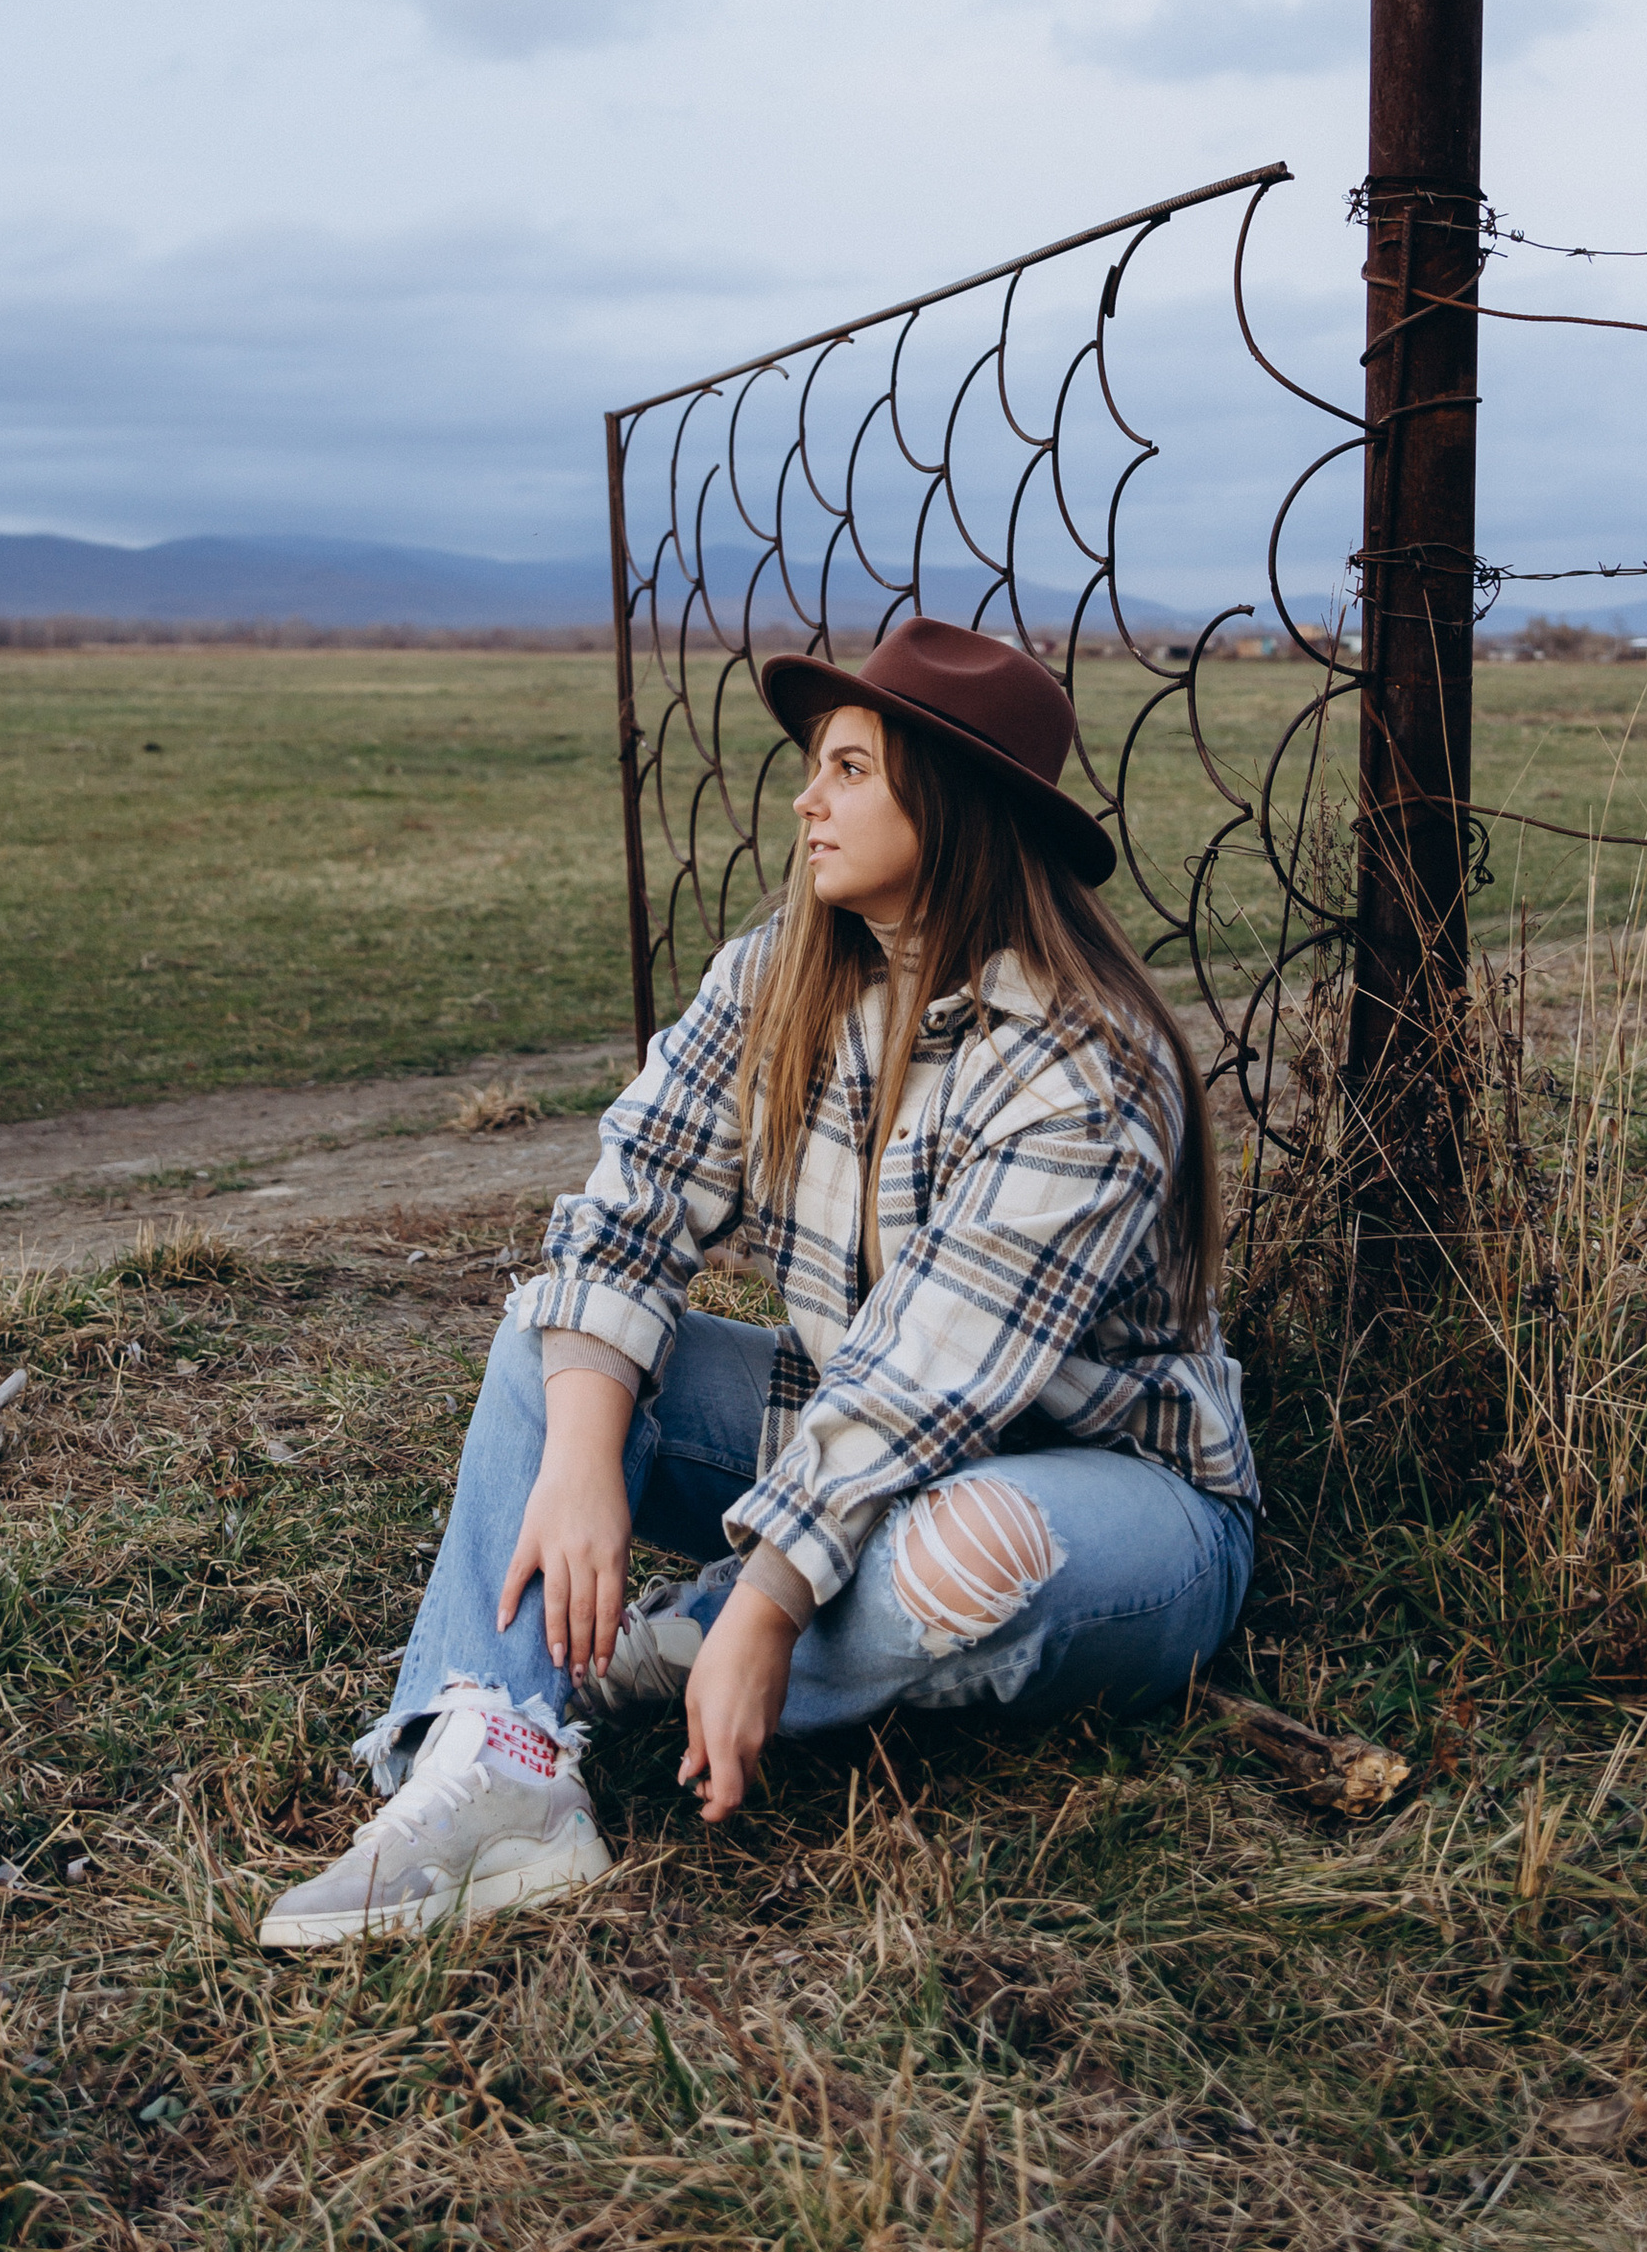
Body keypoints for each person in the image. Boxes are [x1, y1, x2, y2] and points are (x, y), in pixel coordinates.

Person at [258, 618, 1257, 1948]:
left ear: (950, 805)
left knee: (961, 1551)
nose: (806, 799)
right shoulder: (782, 974)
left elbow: (927, 1387)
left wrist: (771, 1595)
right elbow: (625, 1213)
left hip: (1109, 1495)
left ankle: (651, 1655)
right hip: (858, 1433)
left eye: (848, 768)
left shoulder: (1084, 1069)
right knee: (547, 1348)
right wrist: (580, 1455)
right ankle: (501, 1764)